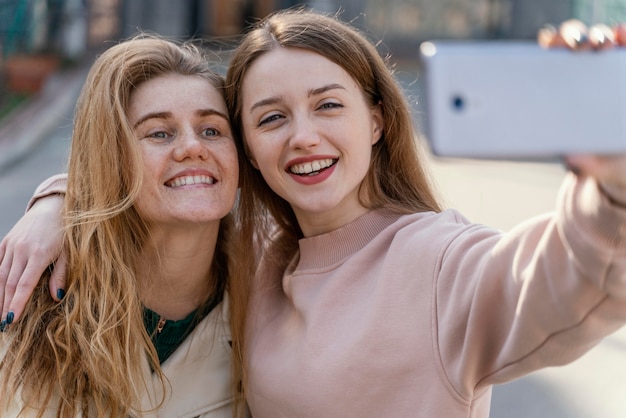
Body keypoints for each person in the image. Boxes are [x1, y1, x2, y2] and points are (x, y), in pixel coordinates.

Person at [2, 10, 626, 417]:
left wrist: (613, 184)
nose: (303, 136)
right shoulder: (260, 253)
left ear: (376, 119)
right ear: (247, 149)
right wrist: (63, 204)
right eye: (271, 117)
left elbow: (566, 283)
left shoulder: (437, 260)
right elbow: (161, 178)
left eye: (328, 106)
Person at [0, 34, 247, 417]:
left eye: (212, 130)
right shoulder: (27, 296)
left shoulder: (266, 302)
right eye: (159, 133)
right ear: (111, 160)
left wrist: (57, 196)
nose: (192, 147)